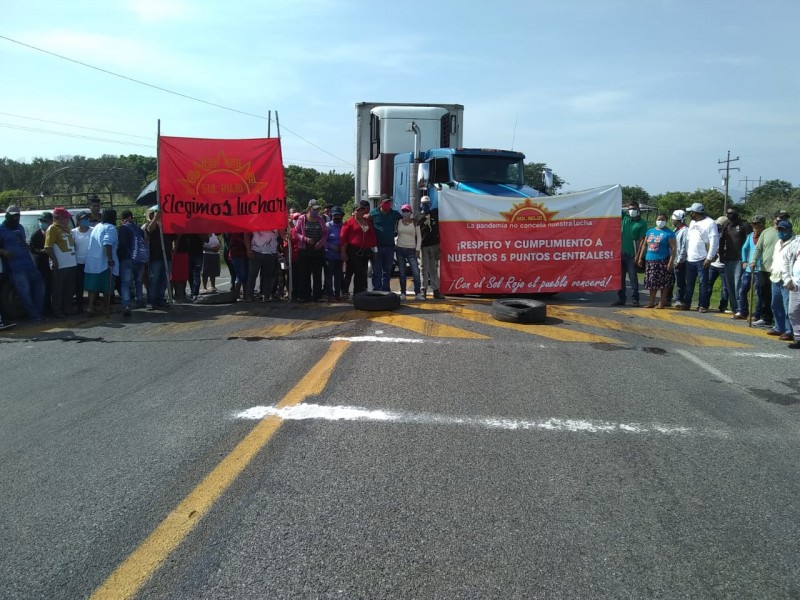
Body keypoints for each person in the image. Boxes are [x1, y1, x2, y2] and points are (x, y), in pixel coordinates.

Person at [0, 205, 45, 322]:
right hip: (15, 266)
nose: (16, 218)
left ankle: (39, 312)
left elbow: (23, 242)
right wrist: (4, 251)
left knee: (39, 287)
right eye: (13, 216)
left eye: (18, 215)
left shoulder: (20, 227)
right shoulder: (1, 229)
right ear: (8, 215)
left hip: (28, 263)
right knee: (24, 292)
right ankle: (34, 316)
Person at [683, 202, 719, 313]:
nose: (690, 214)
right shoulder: (693, 222)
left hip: (702, 258)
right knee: (689, 283)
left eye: (691, 212)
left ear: (695, 213)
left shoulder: (710, 223)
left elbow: (714, 240)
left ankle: (703, 305)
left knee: (703, 283)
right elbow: (689, 239)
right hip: (690, 258)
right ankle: (687, 303)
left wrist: (709, 257)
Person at [83, 208, 119, 317]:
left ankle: (90, 307)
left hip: (93, 262)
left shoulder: (97, 227)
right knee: (106, 287)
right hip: (104, 263)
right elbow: (107, 243)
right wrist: (110, 259)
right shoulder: (111, 228)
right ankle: (106, 308)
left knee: (93, 287)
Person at [636, 213, 676, 308]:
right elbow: (645, 245)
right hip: (650, 261)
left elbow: (673, 248)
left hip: (663, 261)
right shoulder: (650, 231)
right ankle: (651, 302)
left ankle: (662, 302)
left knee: (664, 282)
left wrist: (671, 262)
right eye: (659, 219)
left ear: (666, 221)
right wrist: (641, 257)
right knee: (651, 282)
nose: (660, 221)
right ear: (656, 220)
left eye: (663, 220)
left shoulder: (669, 233)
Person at [611, 201, 646, 306]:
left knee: (633, 278)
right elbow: (614, 204)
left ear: (638, 210)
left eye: (634, 209)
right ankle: (621, 298)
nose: (632, 211)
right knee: (620, 278)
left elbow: (642, 241)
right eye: (630, 209)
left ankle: (635, 299)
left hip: (632, 255)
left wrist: (639, 256)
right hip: (621, 253)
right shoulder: (624, 218)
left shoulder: (642, 223)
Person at [749, 211, 781, 327]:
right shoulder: (766, 232)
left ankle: (777, 321)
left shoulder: (787, 233)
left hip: (778, 270)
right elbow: (758, 248)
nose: (780, 221)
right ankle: (765, 318)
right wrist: (753, 261)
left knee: (776, 296)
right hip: (764, 268)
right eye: (778, 219)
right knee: (763, 294)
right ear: (774, 220)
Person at [44, 207, 77, 318]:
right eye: (66, 217)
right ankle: (57, 310)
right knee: (58, 288)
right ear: (59, 218)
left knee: (69, 288)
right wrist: (54, 261)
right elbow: (48, 247)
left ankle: (67, 308)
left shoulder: (66, 229)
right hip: (60, 265)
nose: (68, 219)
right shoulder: (52, 229)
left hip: (71, 263)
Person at [293, 199, 328, 302]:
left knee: (317, 274)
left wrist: (320, 243)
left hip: (317, 250)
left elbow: (325, 233)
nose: (316, 211)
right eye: (314, 209)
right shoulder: (301, 219)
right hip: (305, 250)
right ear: (309, 209)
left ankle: (317, 295)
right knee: (305, 273)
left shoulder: (320, 219)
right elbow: (296, 233)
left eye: (317, 209)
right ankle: (305, 295)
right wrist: (305, 239)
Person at [719, 207, 750, 317]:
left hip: (740, 259)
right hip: (728, 258)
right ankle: (734, 308)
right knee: (730, 285)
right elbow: (721, 240)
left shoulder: (744, 225)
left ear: (737, 213)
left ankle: (742, 309)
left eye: (731, 213)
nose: (729, 215)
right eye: (727, 213)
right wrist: (721, 254)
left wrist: (746, 259)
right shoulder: (726, 224)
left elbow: (749, 242)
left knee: (738, 285)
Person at [340, 200, 376, 295]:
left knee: (362, 273)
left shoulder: (367, 222)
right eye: (358, 210)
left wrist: (375, 250)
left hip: (365, 251)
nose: (360, 212)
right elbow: (343, 238)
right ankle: (345, 291)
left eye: (362, 210)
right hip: (353, 251)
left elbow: (372, 236)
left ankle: (359, 292)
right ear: (354, 211)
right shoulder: (349, 222)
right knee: (350, 272)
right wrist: (343, 252)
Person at [767, 220, 795, 341]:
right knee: (775, 304)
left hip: (787, 279)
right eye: (779, 230)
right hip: (775, 276)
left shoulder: (794, 243)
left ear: (789, 230)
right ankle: (779, 327)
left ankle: (790, 331)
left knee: (788, 306)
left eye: (783, 230)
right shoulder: (778, 242)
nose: (781, 232)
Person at [117, 210, 147, 316]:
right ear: (131, 217)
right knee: (138, 281)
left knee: (125, 283)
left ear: (123, 219)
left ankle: (126, 304)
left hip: (126, 259)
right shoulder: (138, 229)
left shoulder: (124, 228)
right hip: (139, 259)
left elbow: (122, 244)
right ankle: (139, 299)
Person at [369, 195, 402, 292]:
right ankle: (377, 289)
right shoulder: (373, 213)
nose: (388, 204)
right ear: (381, 203)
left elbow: (404, 220)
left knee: (387, 271)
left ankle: (386, 289)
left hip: (389, 247)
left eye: (389, 202)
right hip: (377, 247)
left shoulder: (395, 214)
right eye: (385, 202)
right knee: (377, 271)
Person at [737, 215, 766, 322]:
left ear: (762, 225)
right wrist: (744, 261)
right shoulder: (750, 236)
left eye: (757, 224)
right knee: (742, 290)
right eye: (753, 224)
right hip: (749, 268)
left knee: (759, 293)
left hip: (760, 269)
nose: (755, 226)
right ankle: (743, 311)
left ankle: (757, 314)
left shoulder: (765, 236)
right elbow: (744, 249)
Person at [143, 207, 172, 309]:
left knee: (164, 280)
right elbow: (150, 230)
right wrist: (156, 219)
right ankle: (151, 301)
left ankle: (160, 299)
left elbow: (174, 237)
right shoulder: (150, 225)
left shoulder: (167, 226)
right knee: (154, 280)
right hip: (155, 258)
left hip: (167, 257)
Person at [395, 203, 423, 301]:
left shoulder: (415, 223)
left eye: (407, 211)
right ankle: (403, 293)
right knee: (402, 273)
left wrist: (418, 249)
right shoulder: (398, 222)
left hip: (412, 250)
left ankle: (418, 293)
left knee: (415, 272)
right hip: (400, 249)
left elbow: (419, 237)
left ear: (411, 212)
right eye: (403, 211)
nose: (405, 213)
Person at [418, 195, 444, 299]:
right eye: (424, 204)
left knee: (434, 268)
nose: (426, 206)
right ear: (420, 205)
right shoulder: (418, 217)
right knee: (424, 268)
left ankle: (436, 290)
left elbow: (444, 204)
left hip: (434, 245)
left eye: (427, 204)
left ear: (430, 204)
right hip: (423, 246)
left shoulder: (435, 213)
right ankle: (423, 289)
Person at [244, 229, 281, 302]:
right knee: (252, 274)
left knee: (268, 276)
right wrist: (248, 249)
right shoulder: (255, 219)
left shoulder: (277, 220)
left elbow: (282, 234)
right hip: (256, 252)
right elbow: (246, 234)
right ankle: (249, 296)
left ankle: (266, 296)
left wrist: (287, 236)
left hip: (271, 253)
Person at [30, 211, 53, 315]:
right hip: (42, 265)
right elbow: (32, 249)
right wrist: (42, 251)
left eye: (44, 221)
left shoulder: (54, 232)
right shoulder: (36, 235)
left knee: (53, 288)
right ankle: (45, 309)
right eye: (41, 221)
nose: (42, 223)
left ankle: (53, 307)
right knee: (45, 288)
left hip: (55, 264)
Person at [781, 227, 800, 349]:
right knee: (793, 312)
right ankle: (798, 338)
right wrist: (787, 279)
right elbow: (786, 261)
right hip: (796, 284)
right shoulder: (796, 243)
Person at [706, 218, 729, 314]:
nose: (717, 227)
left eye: (719, 225)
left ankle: (723, 306)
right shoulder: (714, 235)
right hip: (713, 264)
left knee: (725, 287)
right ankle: (704, 304)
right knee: (708, 285)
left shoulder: (728, 237)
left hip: (723, 265)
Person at [72, 211, 92, 314]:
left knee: (90, 286)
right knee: (79, 286)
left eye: (87, 219)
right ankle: (80, 306)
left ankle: (90, 305)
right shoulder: (73, 232)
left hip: (91, 263)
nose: (86, 221)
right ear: (78, 220)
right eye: (83, 219)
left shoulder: (93, 231)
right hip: (78, 263)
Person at [323, 206, 345, 301]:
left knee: (338, 277)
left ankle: (337, 294)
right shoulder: (328, 226)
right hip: (329, 256)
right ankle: (330, 295)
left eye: (339, 215)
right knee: (328, 277)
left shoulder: (344, 226)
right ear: (331, 216)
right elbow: (323, 241)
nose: (337, 217)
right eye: (335, 215)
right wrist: (332, 247)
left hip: (339, 257)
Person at [668, 210, 688, 308]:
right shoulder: (675, 230)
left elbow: (684, 247)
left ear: (678, 220)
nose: (672, 221)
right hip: (673, 259)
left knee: (679, 281)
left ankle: (679, 299)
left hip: (680, 261)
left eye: (673, 219)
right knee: (670, 280)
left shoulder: (685, 231)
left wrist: (679, 260)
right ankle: (668, 299)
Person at [225, 232, 248, 299]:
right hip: (237, 255)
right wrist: (248, 242)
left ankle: (245, 294)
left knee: (246, 276)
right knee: (240, 276)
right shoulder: (233, 233)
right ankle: (236, 295)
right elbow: (241, 241)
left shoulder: (244, 232)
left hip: (245, 255)